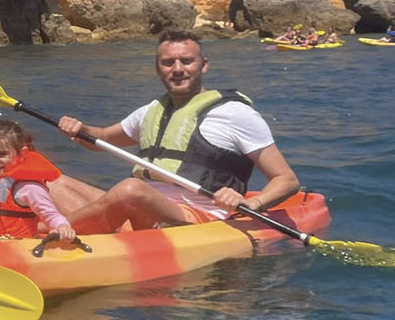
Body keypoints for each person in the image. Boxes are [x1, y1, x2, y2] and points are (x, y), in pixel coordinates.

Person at [55, 30, 300, 233]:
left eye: (187, 61)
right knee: (53, 182)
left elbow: (287, 180)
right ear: (158, 68)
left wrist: (250, 203)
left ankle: (49, 232)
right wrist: (80, 129)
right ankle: (70, 229)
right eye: (168, 62)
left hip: (197, 217)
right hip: (143, 211)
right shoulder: (152, 111)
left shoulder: (235, 114)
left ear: (203, 66)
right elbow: (103, 138)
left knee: (131, 189)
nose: (178, 68)